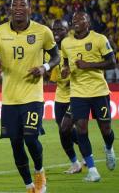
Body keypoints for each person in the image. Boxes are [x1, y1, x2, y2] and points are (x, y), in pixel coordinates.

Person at [0, 0, 60, 193]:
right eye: (15, 5)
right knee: (15, 143)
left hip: (33, 95)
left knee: (31, 138)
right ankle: (29, 185)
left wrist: (45, 67)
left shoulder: (43, 31)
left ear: (30, 9)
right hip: (9, 98)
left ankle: (39, 171)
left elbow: (55, 56)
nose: (19, 8)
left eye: (23, 5)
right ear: (10, 9)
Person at [61, 11, 116, 182]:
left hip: (99, 91)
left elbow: (112, 62)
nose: (76, 21)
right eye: (74, 19)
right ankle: (92, 169)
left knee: (105, 129)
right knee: (81, 129)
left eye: (80, 19)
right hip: (78, 93)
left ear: (88, 23)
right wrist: (65, 70)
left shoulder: (99, 39)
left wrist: (88, 65)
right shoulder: (66, 43)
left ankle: (109, 148)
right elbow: (65, 63)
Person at [50, 19, 83, 174]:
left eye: (60, 29)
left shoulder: (74, 45)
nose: (56, 32)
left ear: (67, 29)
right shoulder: (51, 49)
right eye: (54, 29)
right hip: (60, 96)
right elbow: (54, 76)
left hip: (76, 94)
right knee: (63, 130)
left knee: (65, 128)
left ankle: (85, 153)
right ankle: (76, 163)